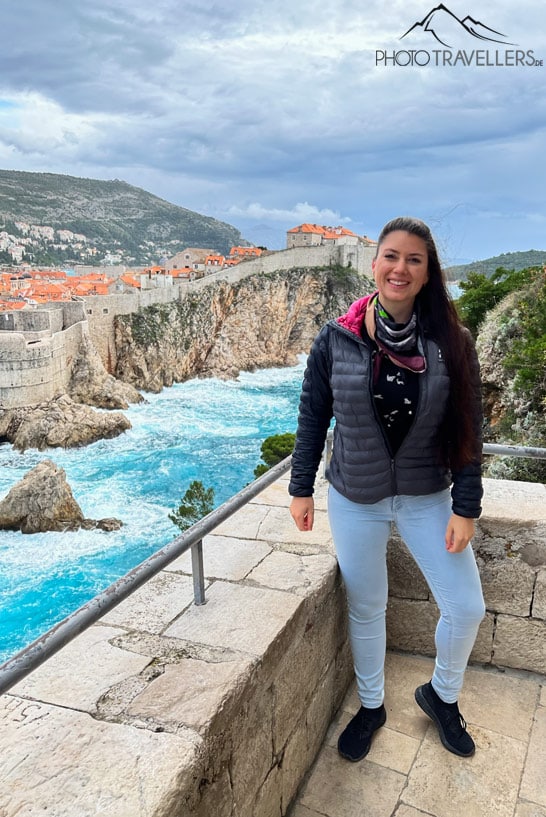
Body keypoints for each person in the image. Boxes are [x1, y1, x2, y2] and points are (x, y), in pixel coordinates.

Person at [289, 216, 485, 761]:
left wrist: (466, 506)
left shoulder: (452, 342)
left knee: (466, 606)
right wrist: (300, 489)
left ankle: (441, 696)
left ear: (427, 274)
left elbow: (469, 425)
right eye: (391, 256)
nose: (400, 267)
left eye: (414, 260)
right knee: (367, 605)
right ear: (373, 265)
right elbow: (313, 419)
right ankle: (371, 705)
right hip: (355, 495)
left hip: (428, 495)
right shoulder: (336, 338)